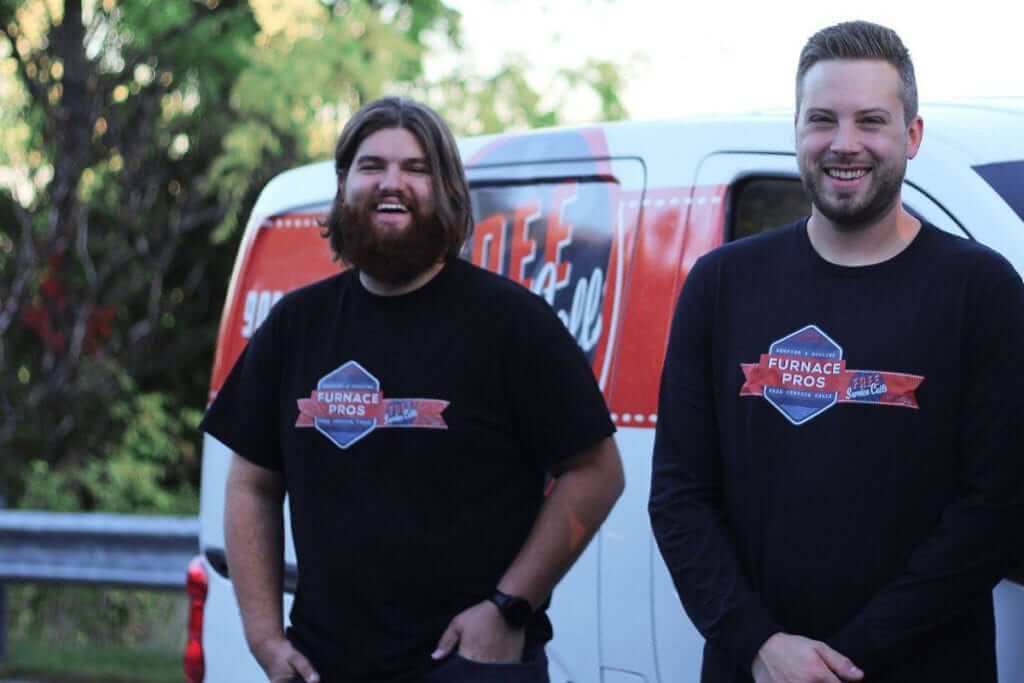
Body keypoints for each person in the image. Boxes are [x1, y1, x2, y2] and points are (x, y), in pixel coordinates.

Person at [649, 20, 1024, 683]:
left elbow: (996, 509)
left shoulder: (981, 290)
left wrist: (841, 661)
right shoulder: (721, 285)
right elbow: (679, 497)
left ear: (911, 135)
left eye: (870, 121)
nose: (844, 143)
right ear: (796, 130)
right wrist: (762, 645)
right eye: (822, 119)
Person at [201, 96, 624, 683]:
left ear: (445, 189)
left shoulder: (511, 324)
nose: (390, 183)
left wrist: (508, 607)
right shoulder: (296, 326)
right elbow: (251, 484)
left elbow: (598, 472)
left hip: (466, 667)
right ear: (345, 185)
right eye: (371, 166)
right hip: (324, 666)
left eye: (415, 168)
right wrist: (265, 637)